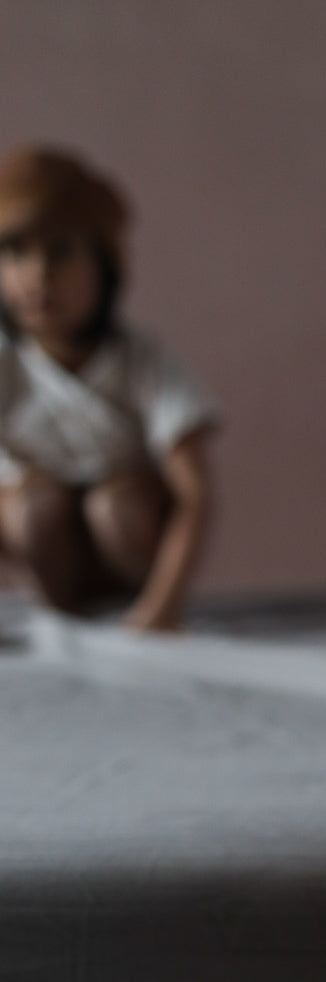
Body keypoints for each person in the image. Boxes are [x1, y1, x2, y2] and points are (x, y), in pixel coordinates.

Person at [0, 146, 219, 631]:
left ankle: (124, 606)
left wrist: (161, 609)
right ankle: (59, 612)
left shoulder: (143, 364)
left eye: (60, 251)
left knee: (114, 509)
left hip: (126, 564)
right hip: (45, 562)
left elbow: (194, 494)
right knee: (32, 509)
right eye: (15, 252)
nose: (39, 274)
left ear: (103, 263)